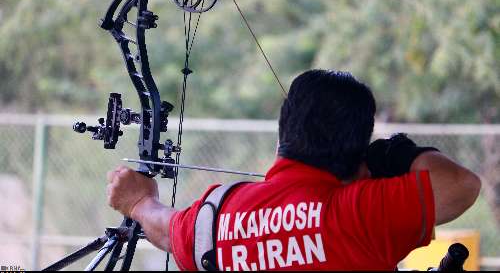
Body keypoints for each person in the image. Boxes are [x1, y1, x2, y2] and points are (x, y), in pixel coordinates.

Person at [106, 69, 481, 270]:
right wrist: (390, 155)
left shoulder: (217, 216)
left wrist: (137, 202)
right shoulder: (361, 213)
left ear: (284, 129)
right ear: (359, 150)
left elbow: (168, 229)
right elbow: (461, 184)